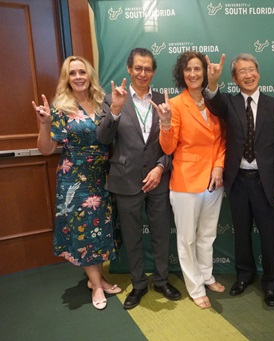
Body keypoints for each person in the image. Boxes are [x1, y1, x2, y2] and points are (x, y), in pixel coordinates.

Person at [204, 53, 274, 307]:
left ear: (259, 73)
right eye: (242, 71)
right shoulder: (229, 104)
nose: (248, 75)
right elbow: (213, 102)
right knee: (241, 234)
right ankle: (244, 275)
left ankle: (271, 283)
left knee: (268, 236)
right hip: (239, 181)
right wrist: (212, 82)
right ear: (234, 78)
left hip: (267, 183)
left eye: (252, 69)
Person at [32, 56, 120, 310]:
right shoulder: (60, 108)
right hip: (76, 181)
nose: (78, 77)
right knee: (84, 231)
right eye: (73, 73)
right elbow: (46, 149)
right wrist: (44, 124)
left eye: (83, 71)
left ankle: (97, 279)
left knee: (101, 229)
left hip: (102, 176)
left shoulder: (102, 102)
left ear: (90, 75)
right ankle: (96, 284)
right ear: (67, 79)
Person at [97, 48, 181, 310]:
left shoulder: (165, 101)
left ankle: (162, 280)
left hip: (158, 179)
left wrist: (160, 166)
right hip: (125, 179)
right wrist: (116, 112)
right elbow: (102, 139)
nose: (143, 73)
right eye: (138, 68)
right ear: (129, 69)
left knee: (160, 234)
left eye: (148, 69)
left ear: (154, 72)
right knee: (132, 236)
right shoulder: (113, 100)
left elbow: (174, 144)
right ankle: (138, 285)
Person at [155, 51, 226, 309]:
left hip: (214, 182)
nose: (193, 74)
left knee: (207, 234)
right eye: (188, 70)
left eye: (197, 69)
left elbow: (222, 140)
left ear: (205, 73)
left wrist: (219, 166)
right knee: (187, 239)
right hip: (186, 183)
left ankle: (206, 275)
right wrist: (164, 125)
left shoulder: (214, 102)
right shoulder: (174, 105)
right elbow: (168, 147)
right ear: (181, 74)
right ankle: (195, 287)